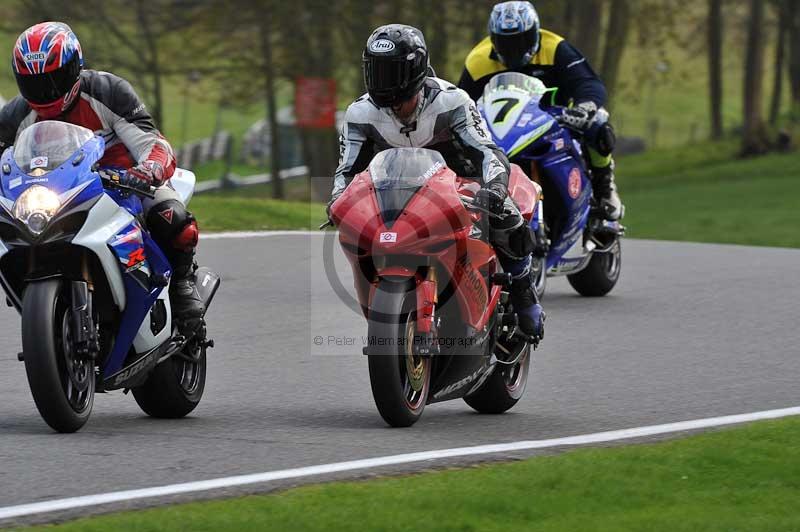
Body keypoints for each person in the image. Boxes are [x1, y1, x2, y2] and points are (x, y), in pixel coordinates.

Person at [330, 24, 544, 342]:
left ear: (414, 68)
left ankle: (525, 293)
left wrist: (496, 189)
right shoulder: (359, 113)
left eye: (391, 71)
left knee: (510, 218)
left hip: (463, 188)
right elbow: (347, 171)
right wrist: (338, 202)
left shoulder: (452, 101)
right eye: (375, 70)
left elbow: (487, 151)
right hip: (398, 198)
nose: (381, 80)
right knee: (357, 234)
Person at [0, 22, 204, 324]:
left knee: (171, 216)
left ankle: (182, 284)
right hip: (58, 194)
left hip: (123, 184)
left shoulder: (109, 91)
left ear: (74, 68)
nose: (46, 92)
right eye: (35, 84)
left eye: (54, 79)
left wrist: (148, 170)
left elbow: (152, 141)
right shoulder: (15, 116)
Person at [458, 1, 623, 221]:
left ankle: (605, 185)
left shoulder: (556, 49)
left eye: (521, 40)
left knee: (599, 123)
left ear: (535, 34)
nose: (514, 49)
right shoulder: (478, 61)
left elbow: (589, 83)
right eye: (505, 43)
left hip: (556, 119)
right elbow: (462, 101)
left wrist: (585, 108)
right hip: (503, 127)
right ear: (493, 40)